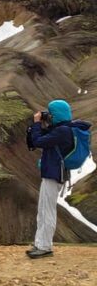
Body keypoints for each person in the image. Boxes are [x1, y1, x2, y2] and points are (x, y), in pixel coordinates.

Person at [26, 99, 92, 259]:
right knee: (43, 210)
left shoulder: (62, 131)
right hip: (52, 173)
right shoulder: (62, 129)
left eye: (51, 113)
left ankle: (44, 246)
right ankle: (40, 243)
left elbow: (38, 141)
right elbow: (37, 141)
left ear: (56, 114)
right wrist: (40, 126)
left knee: (47, 210)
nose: (49, 116)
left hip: (54, 174)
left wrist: (36, 123)